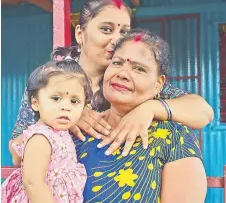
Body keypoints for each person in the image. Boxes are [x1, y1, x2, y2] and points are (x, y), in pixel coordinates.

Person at [10, 0, 213, 157]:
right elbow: (16, 149)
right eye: (106, 29)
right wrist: (65, 113)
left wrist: (151, 108)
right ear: (80, 34)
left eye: (124, 32)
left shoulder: (129, 81)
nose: (117, 40)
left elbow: (203, 113)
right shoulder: (52, 79)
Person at [74, 29, 207, 203]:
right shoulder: (81, 126)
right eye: (117, 63)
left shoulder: (175, 138)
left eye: (139, 69)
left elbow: (204, 111)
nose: (122, 73)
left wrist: (150, 108)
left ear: (159, 84)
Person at [2, 59, 92, 202]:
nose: (66, 107)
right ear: (35, 103)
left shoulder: (60, 132)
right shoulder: (40, 137)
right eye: (56, 98)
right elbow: (33, 183)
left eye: (74, 101)